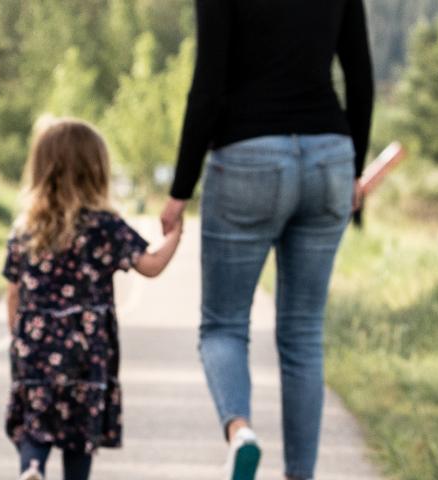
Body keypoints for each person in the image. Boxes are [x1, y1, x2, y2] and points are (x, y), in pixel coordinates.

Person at [160, 0, 375, 479]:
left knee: (223, 325)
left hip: (246, 154)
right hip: (329, 155)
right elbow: (360, 76)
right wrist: (354, 171)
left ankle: (241, 433)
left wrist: (181, 188)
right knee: (302, 335)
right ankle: (301, 474)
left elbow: (209, 82)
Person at [3, 118, 184, 480]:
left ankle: (33, 467)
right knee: (79, 436)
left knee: (36, 421)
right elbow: (150, 266)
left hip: (36, 348)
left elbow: (14, 292)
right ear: (97, 171)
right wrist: (174, 236)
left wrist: (19, 338)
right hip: (87, 351)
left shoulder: (27, 227)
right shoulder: (105, 227)